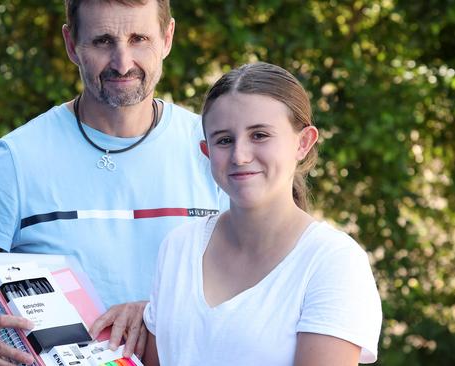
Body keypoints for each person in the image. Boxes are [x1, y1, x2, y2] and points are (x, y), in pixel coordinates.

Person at [0, 1, 225, 365]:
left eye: (139, 38)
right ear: (71, 44)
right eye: (102, 41)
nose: (122, 62)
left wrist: (159, 314)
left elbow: (279, 290)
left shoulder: (218, 148)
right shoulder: (18, 160)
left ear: (167, 38)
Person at [142, 62, 383, 365]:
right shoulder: (178, 246)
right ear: (206, 151)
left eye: (259, 135)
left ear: (303, 143)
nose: (240, 156)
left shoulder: (333, 262)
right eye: (224, 140)